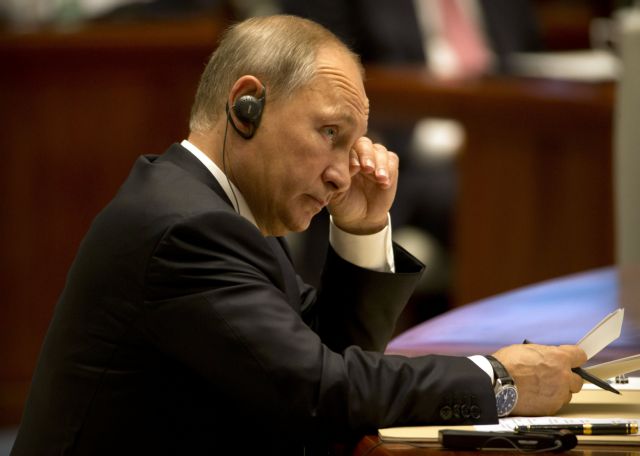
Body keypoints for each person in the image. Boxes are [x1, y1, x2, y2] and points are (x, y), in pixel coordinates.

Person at [12, 15, 585, 456]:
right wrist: (500, 380)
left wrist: (360, 230)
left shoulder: (217, 209)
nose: (342, 174)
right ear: (246, 107)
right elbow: (319, 393)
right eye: (330, 132)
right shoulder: (187, 227)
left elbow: (320, 359)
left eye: (353, 144)